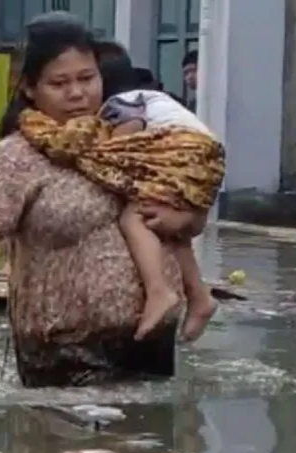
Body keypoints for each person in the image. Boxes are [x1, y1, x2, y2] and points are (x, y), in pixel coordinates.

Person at [0, 12, 207, 388]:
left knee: (151, 442)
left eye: (87, 78)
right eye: (59, 83)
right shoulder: (15, 158)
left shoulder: (133, 139)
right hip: (61, 350)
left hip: (150, 341)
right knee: (56, 445)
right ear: (30, 88)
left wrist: (185, 221)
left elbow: (187, 216)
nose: (77, 93)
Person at [87, 53, 221, 341]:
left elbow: (121, 151)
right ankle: (199, 297)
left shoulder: (117, 105)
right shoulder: (150, 98)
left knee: (134, 217)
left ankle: (159, 291)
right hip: (204, 155)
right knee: (165, 225)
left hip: (183, 151)